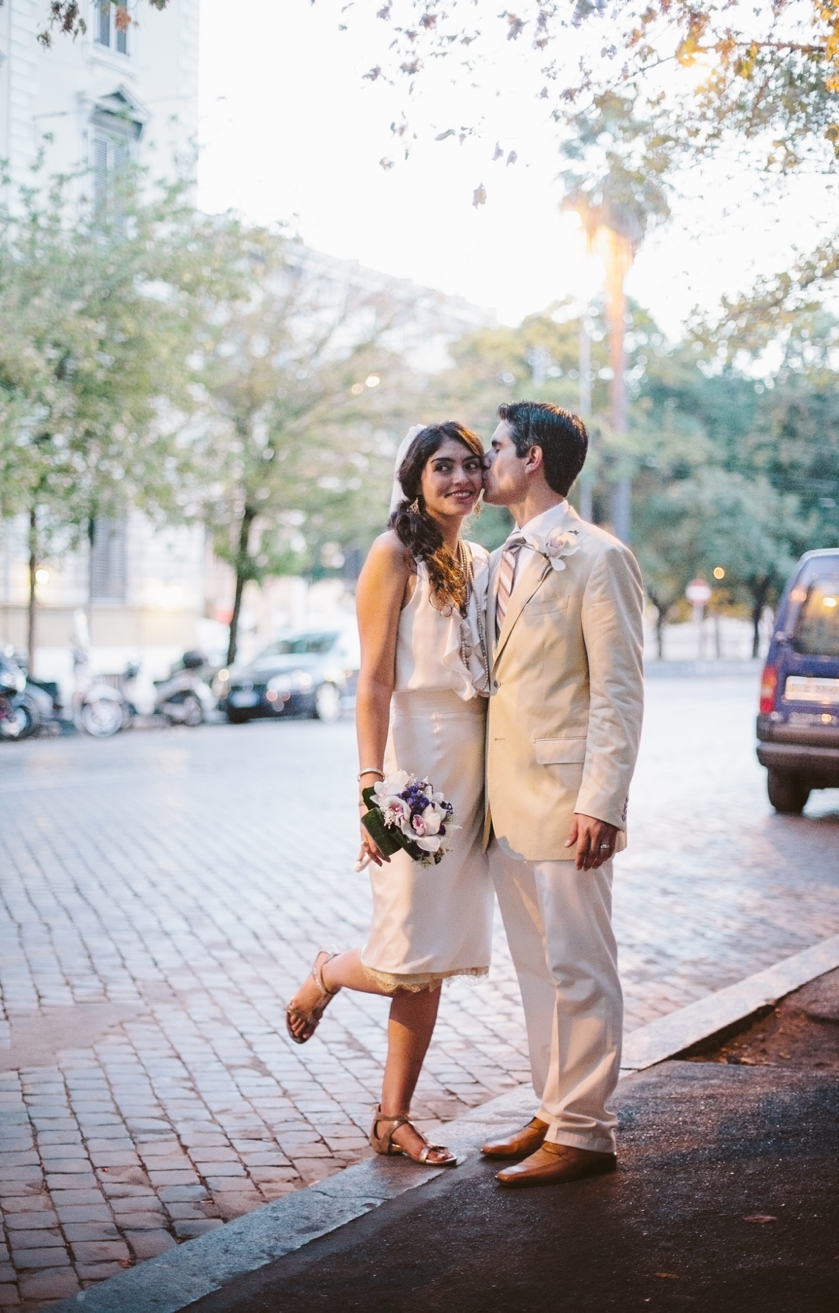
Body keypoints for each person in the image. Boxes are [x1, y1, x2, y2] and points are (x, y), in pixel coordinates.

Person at [285, 421, 493, 1167]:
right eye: (444, 467)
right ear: (415, 477)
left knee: (431, 954)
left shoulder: (477, 558)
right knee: (406, 941)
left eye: (472, 465)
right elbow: (372, 681)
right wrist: (370, 788)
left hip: (474, 766)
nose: (461, 478)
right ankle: (330, 970)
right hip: (412, 763)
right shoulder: (392, 552)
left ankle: (391, 1117)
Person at [479, 400, 644, 1188]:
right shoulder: (499, 555)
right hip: (507, 804)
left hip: (567, 799)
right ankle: (554, 1106)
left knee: (581, 968)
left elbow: (618, 690)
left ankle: (585, 1133)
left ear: (533, 458)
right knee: (537, 970)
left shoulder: (596, 555)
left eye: (497, 447)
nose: (486, 462)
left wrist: (601, 800)